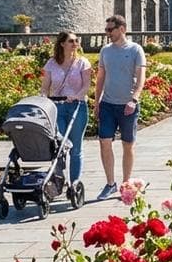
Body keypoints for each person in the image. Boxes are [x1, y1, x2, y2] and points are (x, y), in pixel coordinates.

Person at [94, 15, 147, 200]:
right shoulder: (105, 51)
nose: (107, 33)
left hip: (128, 105)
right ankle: (110, 183)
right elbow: (100, 77)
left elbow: (141, 77)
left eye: (110, 30)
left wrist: (134, 99)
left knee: (127, 145)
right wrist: (96, 102)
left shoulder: (135, 49)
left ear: (122, 29)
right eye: (106, 30)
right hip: (108, 104)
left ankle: (126, 184)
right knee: (104, 141)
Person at [41, 32, 92, 184]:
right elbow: (45, 86)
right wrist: (43, 97)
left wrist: (77, 96)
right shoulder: (51, 63)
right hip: (57, 107)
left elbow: (86, 85)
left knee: (75, 148)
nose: (75, 43)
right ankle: (58, 179)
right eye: (71, 41)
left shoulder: (83, 62)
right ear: (62, 44)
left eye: (76, 41)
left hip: (77, 106)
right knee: (59, 145)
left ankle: (74, 183)